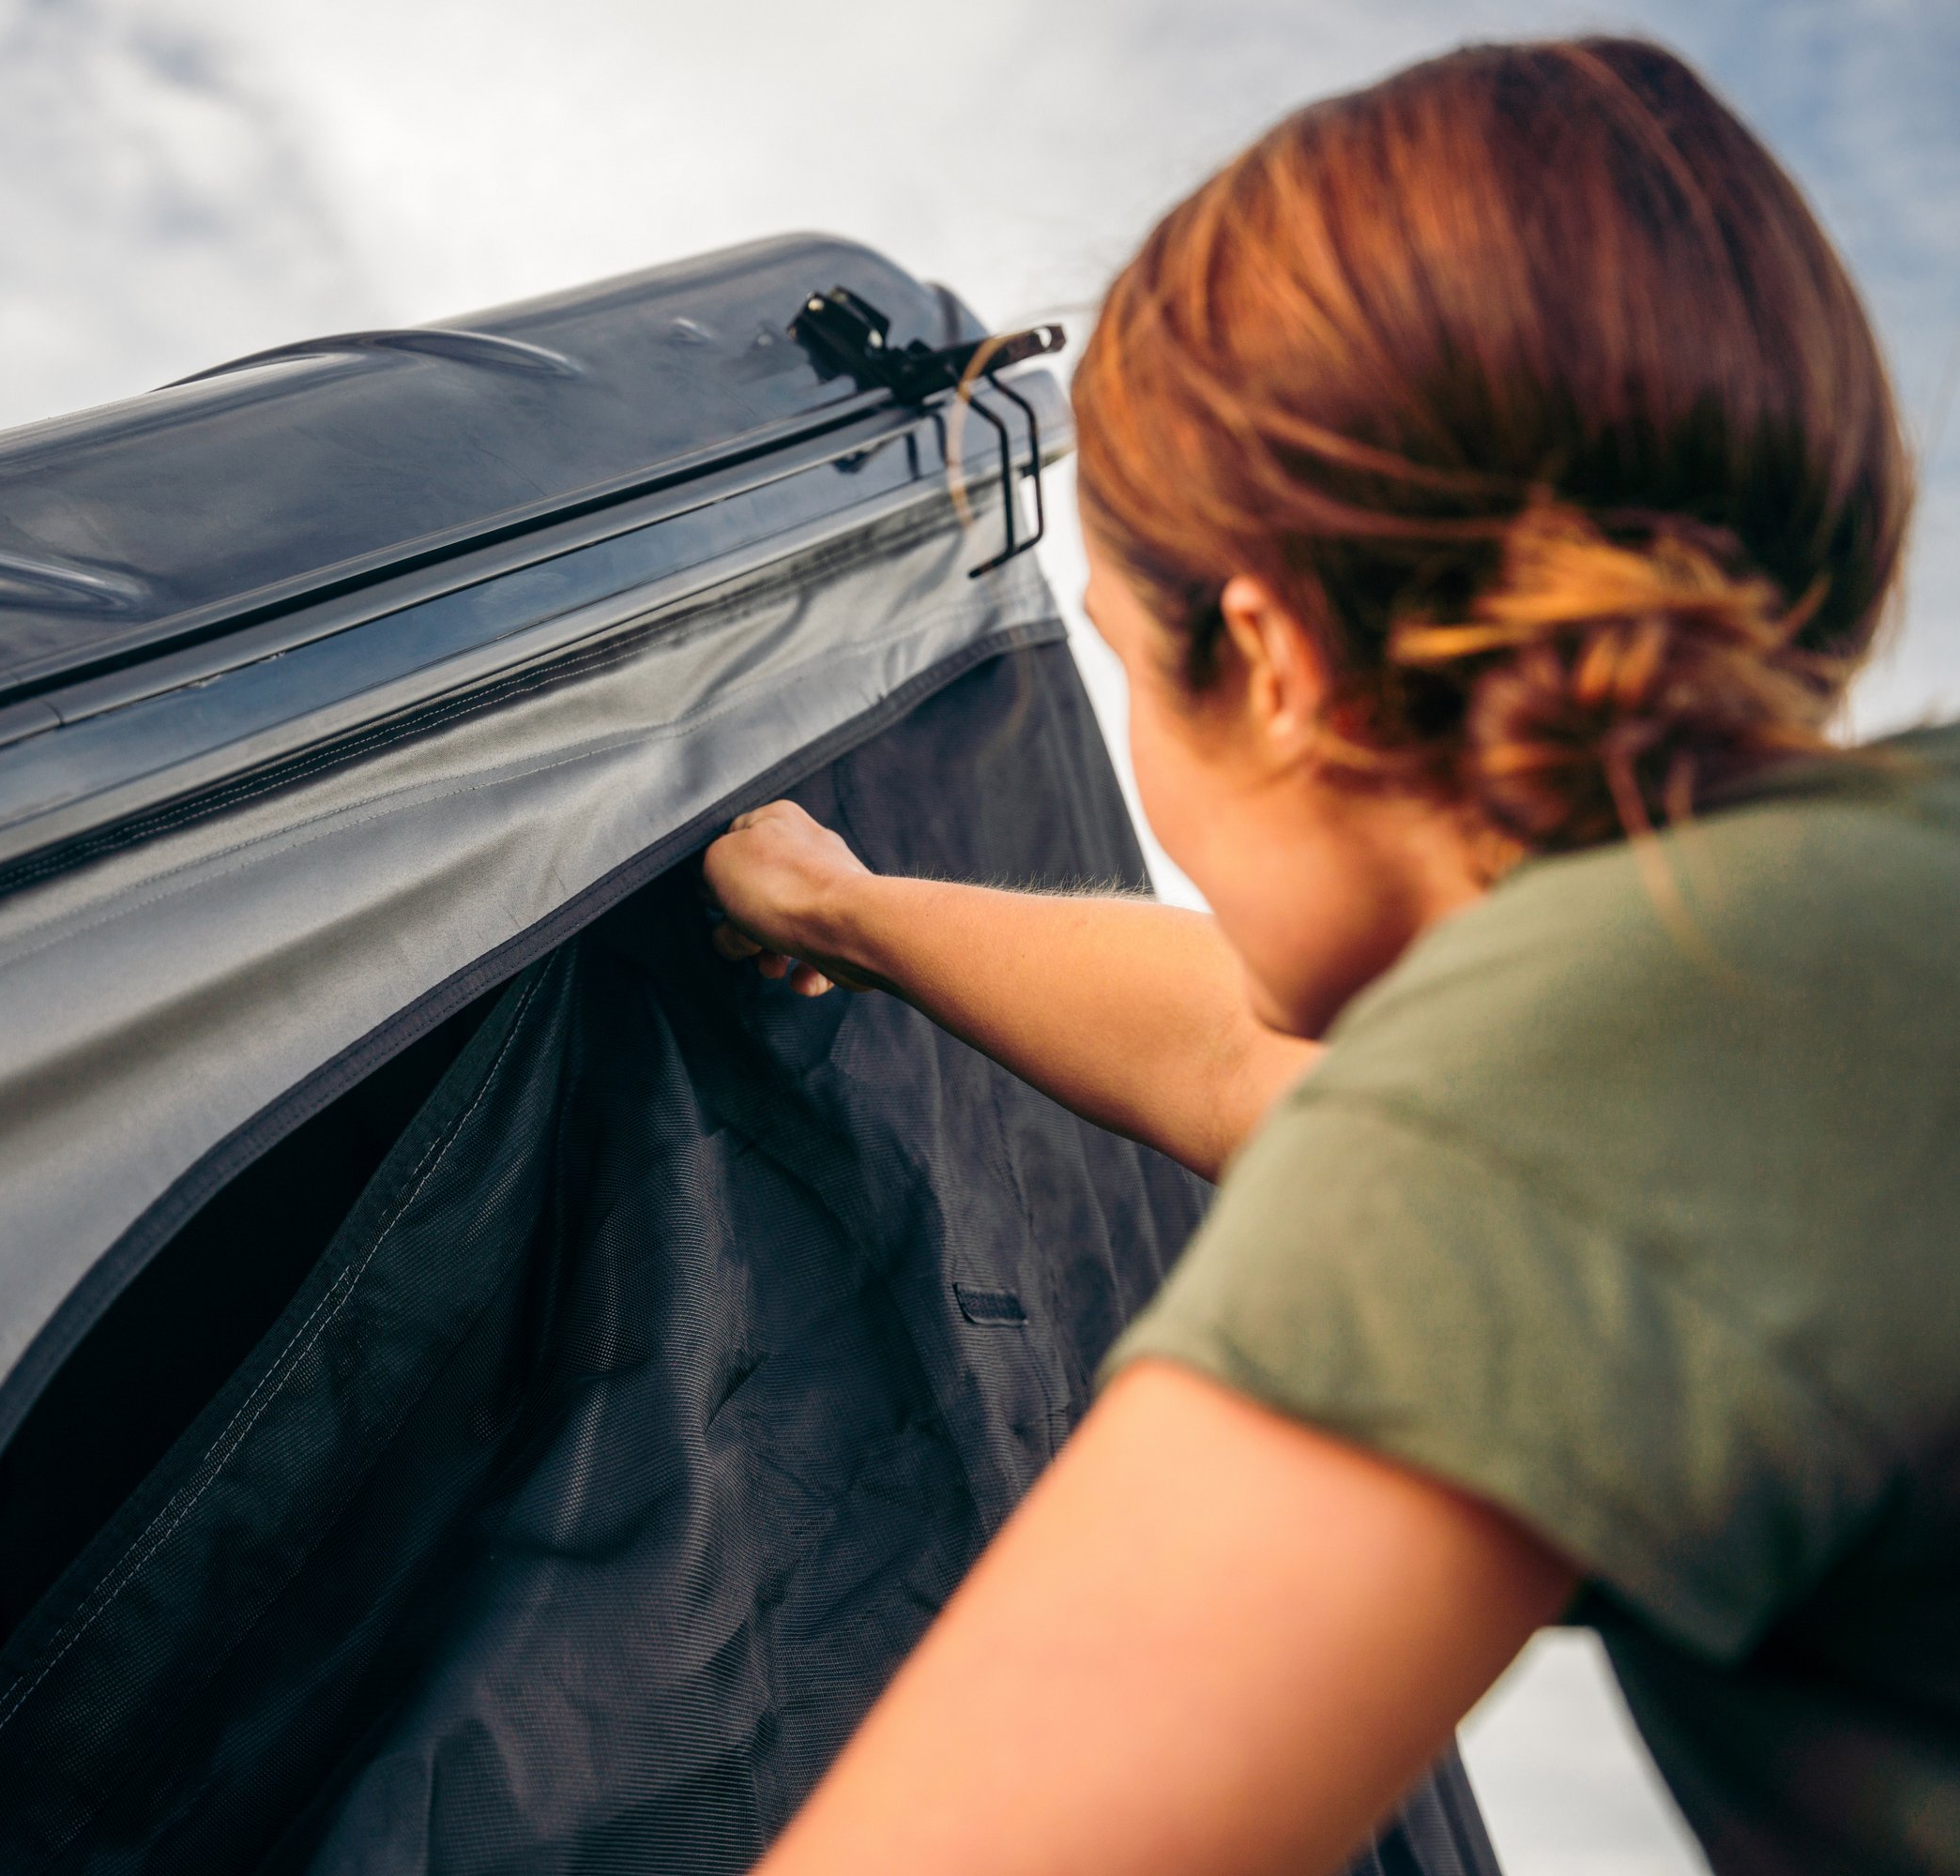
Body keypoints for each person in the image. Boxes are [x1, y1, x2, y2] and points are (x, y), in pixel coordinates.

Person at [703, 38, 1953, 1876]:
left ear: (1276, 661)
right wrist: (847, 908)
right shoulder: (1821, 961)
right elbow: (1249, 1064)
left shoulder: (1604, 1082)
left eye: (1127, 661)